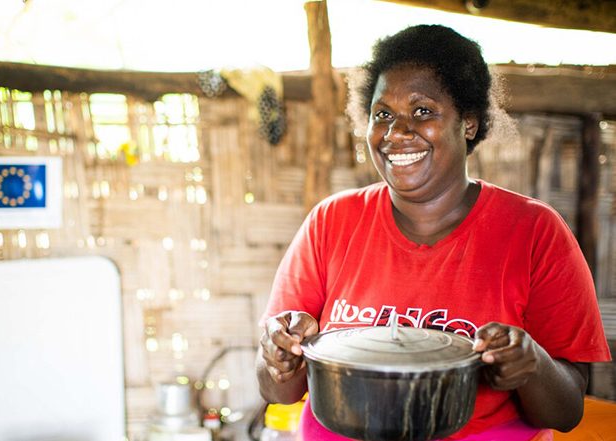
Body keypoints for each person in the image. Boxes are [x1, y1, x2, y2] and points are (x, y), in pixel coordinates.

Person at [256, 24, 612, 441]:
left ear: (469, 123)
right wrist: (280, 355)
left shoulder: (534, 232)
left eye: (422, 111)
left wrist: (529, 363)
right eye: (383, 114)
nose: (397, 132)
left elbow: (568, 410)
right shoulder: (331, 223)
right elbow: (275, 389)